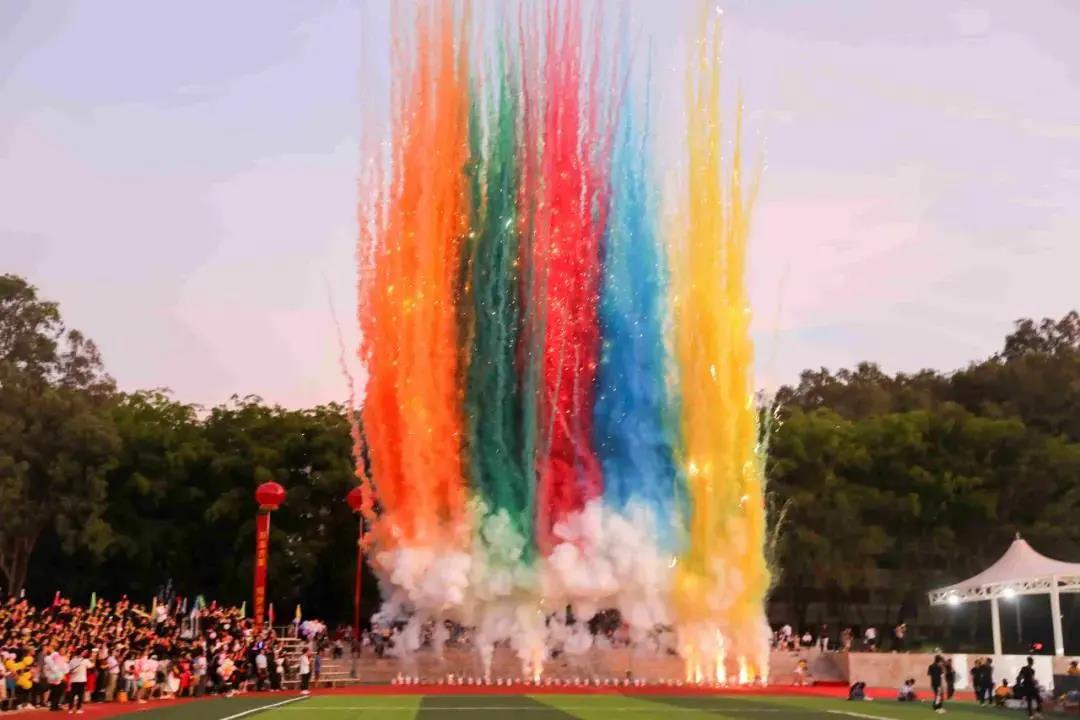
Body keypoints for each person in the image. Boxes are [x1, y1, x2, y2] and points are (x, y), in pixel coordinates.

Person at [68, 646, 91, 714]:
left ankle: (70, 709)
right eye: (83, 652)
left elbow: (69, 669)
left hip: (73, 680)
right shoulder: (85, 660)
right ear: (81, 653)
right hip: (82, 680)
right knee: (80, 695)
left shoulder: (72, 660)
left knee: (72, 695)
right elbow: (91, 666)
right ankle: (78, 709)